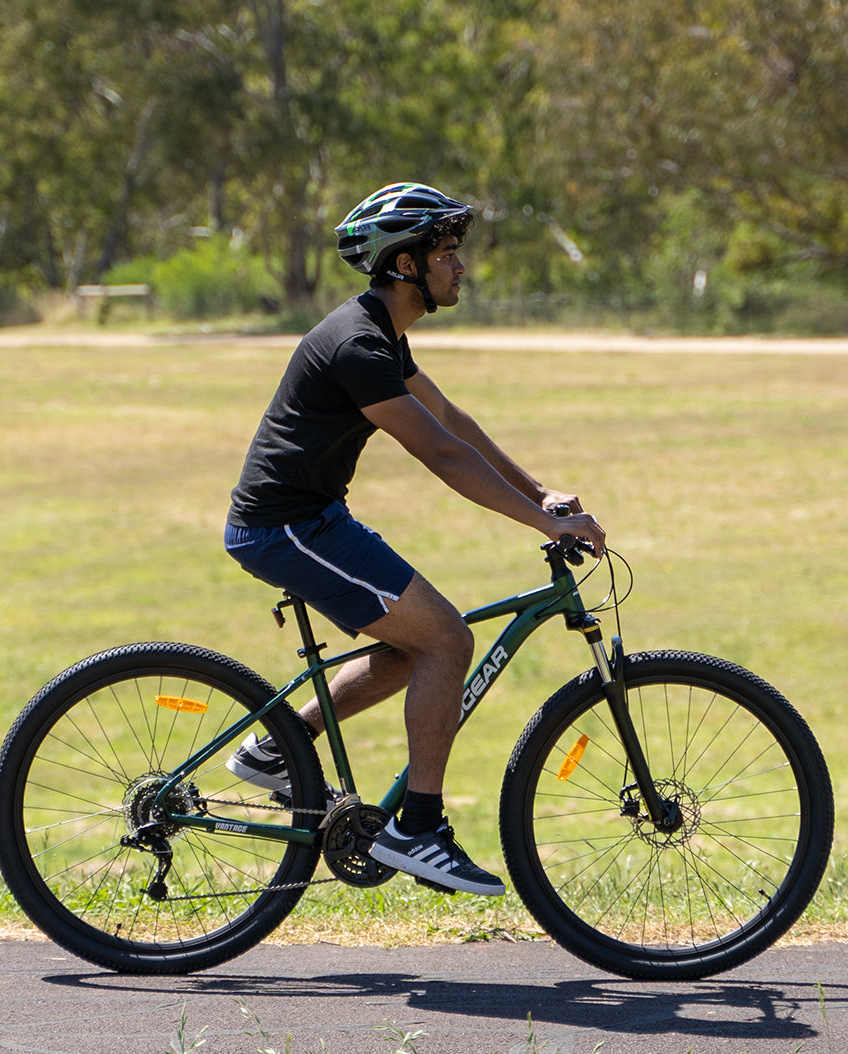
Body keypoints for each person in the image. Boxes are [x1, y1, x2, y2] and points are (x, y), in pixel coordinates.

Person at [223, 181, 605, 897]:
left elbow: (451, 421)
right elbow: (441, 454)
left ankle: (281, 747)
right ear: (405, 264)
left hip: (313, 520)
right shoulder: (359, 343)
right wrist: (546, 525)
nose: (461, 268)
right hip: (284, 528)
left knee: (418, 644)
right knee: (448, 641)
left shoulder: (382, 335)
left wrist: (539, 492)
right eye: (448, 253)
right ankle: (418, 831)